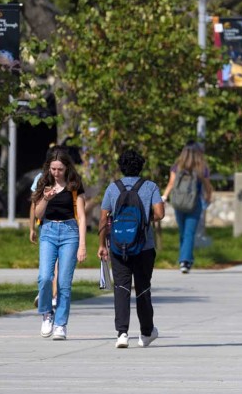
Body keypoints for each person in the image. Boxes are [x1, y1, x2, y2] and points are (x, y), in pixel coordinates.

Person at [98, 148, 165, 349]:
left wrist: (102, 244)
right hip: (144, 246)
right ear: (141, 166)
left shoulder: (112, 188)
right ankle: (146, 333)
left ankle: (122, 333)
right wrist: (143, 222)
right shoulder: (150, 187)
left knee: (121, 288)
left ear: (121, 167)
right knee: (143, 288)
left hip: (118, 246)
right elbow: (160, 214)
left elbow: (103, 218)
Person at [31, 149, 87, 340]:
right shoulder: (44, 183)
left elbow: (81, 216)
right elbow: (38, 214)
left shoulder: (74, 185)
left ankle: (61, 324)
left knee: (64, 282)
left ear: (67, 168)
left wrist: (82, 245)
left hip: (70, 233)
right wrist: (46, 198)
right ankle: (47, 313)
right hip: (48, 231)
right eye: (53, 169)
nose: (56, 173)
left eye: (60, 169)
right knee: (45, 277)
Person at [161, 142, 214, 274]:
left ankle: (185, 258)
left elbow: (171, 184)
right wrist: (208, 198)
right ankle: (185, 261)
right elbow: (208, 186)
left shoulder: (176, 167)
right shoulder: (202, 168)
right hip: (194, 204)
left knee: (183, 232)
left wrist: (164, 197)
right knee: (189, 233)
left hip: (178, 203)